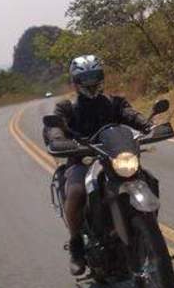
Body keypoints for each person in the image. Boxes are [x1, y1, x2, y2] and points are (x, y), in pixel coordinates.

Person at [43, 55, 151, 276]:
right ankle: (76, 245)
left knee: (148, 179)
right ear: (76, 81)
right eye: (85, 78)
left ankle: (148, 231)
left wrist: (149, 125)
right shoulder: (67, 108)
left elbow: (130, 115)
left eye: (95, 77)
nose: (91, 82)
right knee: (76, 193)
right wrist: (57, 138)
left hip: (114, 159)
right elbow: (55, 127)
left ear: (102, 78)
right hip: (82, 160)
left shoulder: (115, 103)